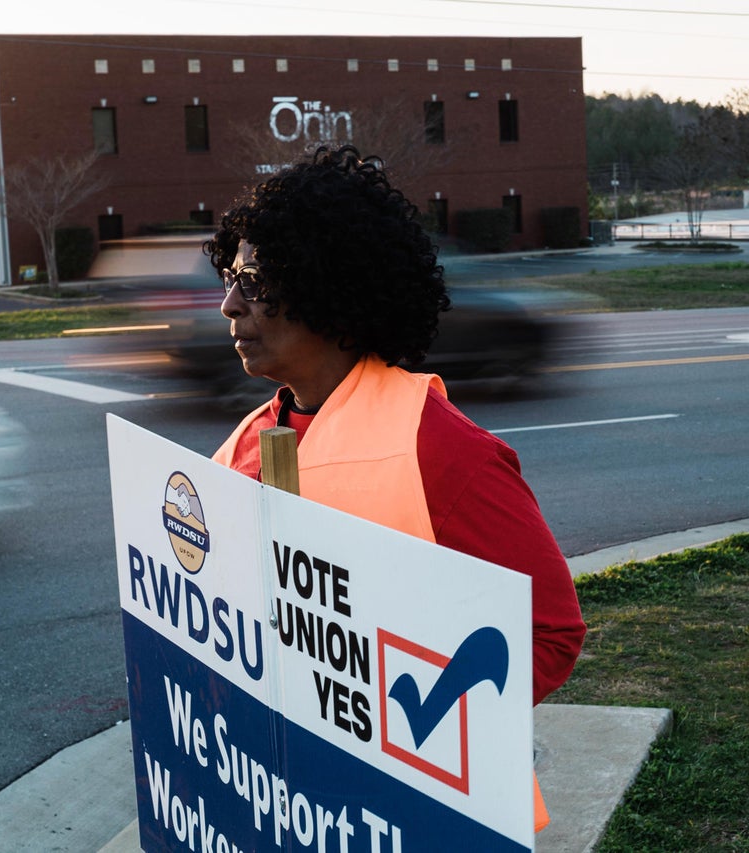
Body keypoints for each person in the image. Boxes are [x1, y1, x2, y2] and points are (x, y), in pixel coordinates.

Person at [206, 146, 585, 828]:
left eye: (255, 280)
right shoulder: (241, 444)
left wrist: (401, 729)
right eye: (232, 276)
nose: (229, 302)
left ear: (327, 287)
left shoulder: (445, 452)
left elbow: (548, 632)